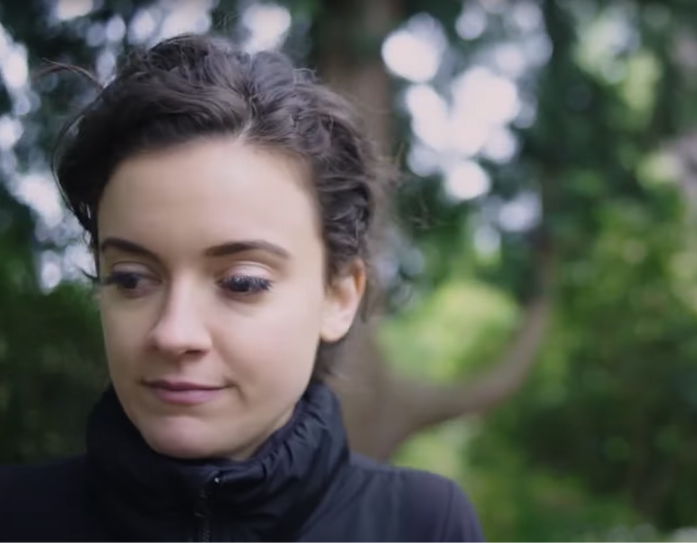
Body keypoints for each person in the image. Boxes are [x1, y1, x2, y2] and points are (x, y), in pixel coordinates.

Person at [0, 33, 485, 543]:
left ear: (339, 296)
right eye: (131, 278)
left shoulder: (421, 525)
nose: (173, 333)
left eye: (242, 283)